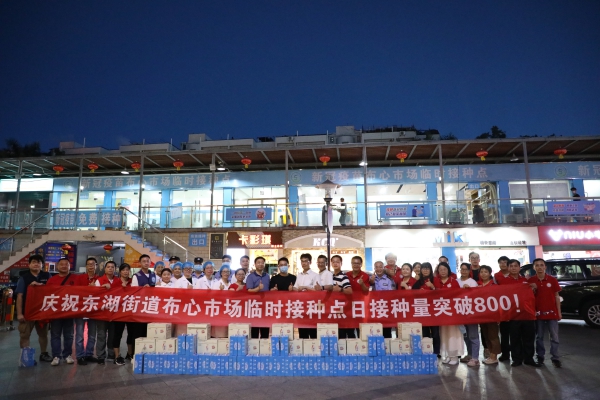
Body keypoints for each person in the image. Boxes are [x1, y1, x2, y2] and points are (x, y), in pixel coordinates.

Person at [500, 259, 541, 367]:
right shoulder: (504, 282)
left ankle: (529, 358)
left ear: (519, 267)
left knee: (529, 338)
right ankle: (517, 359)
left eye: (515, 266)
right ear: (508, 268)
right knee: (515, 338)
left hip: (527, 314)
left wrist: (534, 288)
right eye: (511, 266)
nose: (513, 268)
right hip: (513, 315)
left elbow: (532, 295)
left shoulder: (526, 281)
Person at [15, 254, 52, 364]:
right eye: (34, 262)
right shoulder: (24, 278)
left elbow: (53, 291)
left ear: (42, 265)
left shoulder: (47, 276)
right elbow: (20, 296)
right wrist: (19, 314)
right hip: (27, 312)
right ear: (29, 265)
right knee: (25, 335)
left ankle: (44, 354)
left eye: (39, 262)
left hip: (42, 312)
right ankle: (26, 358)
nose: (36, 264)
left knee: (43, 334)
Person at [528, 258, 562, 367]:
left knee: (554, 337)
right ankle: (540, 357)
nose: (539, 267)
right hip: (538, 314)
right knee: (539, 337)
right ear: (534, 267)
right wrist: (533, 289)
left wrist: (559, 312)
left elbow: (557, 296)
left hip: (552, 313)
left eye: (541, 265)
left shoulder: (552, 280)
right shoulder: (531, 281)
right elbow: (528, 298)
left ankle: (555, 358)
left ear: (545, 267)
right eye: (537, 265)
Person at [46, 258, 77, 366]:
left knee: (69, 335)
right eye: (61, 264)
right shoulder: (52, 280)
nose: (64, 266)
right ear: (57, 266)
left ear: (69, 266)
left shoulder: (75, 278)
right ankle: (56, 356)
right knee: (55, 335)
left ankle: (67, 355)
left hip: (69, 312)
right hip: (56, 312)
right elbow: (46, 294)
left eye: (66, 264)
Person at [434, 262, 463, 365]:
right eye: (440, 269)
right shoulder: (435, 281)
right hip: (441, 313)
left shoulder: (454, 282)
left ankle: (454, 356)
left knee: (453, 334)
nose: (443, 271)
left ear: (448, 270)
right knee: (444, 334)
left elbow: (459, 296)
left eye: (444, 269)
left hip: (452, 313)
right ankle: (448, 355)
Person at [74, 257, 100, 365]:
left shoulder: (99, 279)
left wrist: (95, 288)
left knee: (92, 334)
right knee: (79, 334)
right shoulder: (79, 278)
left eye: (93, 264)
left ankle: (89, 354)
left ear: (96, 266)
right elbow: (75, 291)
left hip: (93, 310)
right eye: (89, 264)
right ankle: (80, 356)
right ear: (86, 266)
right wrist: (88, 288)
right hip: (81, 310)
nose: (91, 266)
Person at [95, 260, 119, 364]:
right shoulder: (99, 281)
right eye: (108, 267)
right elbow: (95, 295)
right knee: (101, 335)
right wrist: (102, 288)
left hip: (114, 314)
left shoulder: (118, 281)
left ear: (115, 269)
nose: (110, 269)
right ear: (105, 269)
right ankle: (100, 356)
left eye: (112, 267)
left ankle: (111, 354)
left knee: (112, 335)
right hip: (102, 313)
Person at [130, 254, 156, 354]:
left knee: (149, 332)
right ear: (140, 263)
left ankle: (148, 353)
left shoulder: (153, 275)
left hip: (152, 308)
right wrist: (143, 289)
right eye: (144, 261)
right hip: (140, 308)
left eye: (147, 261)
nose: (146, 263)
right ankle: (135, 354)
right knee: (138, 332)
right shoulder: (136, 276)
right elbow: (133, 292)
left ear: (150, 262)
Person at [412, 263, 440, 356]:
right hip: (422, 310)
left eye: (427, 269)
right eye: (424, 268)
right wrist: (418, 293)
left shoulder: (435, 280)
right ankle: (426, 351)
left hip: (434, 310)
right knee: (425, 332)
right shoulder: (418, 281)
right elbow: (412, 294)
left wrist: (432, 287)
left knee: (435, 333)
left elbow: (441, 293)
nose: (425, 270)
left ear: (431, 270)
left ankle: (436, 352)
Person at [457, 262, 481, 367]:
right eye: (462, 269)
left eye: (466, 269)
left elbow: (476, 296)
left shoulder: (472, 282)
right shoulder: (456, 282)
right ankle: (470, 354)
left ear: (469, 270)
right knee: (465, 336)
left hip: (471, 313)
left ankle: (475, 358)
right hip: (460, 313)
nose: (464, 271)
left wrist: (469, 290)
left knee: (473, 335)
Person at [478, 265, 501, 365]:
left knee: (493, 336)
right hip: (482, 316)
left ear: (490, 273)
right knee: (486, 336)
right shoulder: (478, 286)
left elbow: (499, 301)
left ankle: (494, 356)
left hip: (492, 316)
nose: (483, 274)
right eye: (481, 272)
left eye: (485, 272)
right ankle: (491, 355)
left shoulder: (494, 286)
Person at [112, 263, 133, 365]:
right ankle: (117, 356)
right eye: (123, 270)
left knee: (131, 333)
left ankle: (129, 354)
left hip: (130, 312)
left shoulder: (132, 282)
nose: (126, 272)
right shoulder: (115, 282)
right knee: (118, 334)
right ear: (120, 272)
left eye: (127, 270)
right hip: (119, 313)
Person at [246, 257, 270, 338]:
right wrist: (258, 289)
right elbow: (249, 290)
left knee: (265, 329)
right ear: (255, 264)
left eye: (262, 262)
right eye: (258, 262)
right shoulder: (250, 276)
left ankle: (264, 344)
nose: (260, 264)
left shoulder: (267, 276)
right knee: (254, 330)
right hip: (255, 306)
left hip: (265, 306)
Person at [370, 261, 395, 338]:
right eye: (376, 267)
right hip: (374, 308)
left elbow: (392, 294)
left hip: (385, 307)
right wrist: (371, 283)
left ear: (384, 268)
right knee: (375, 329)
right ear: (374, 268)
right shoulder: (371, 279)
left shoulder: (389, 280)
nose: (378, 269)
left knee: (386, 330)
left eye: (380, 267)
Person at [331, 255, 353, 338]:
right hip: (334, 308)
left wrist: (340, 289)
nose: (335, 264)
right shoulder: (331, 276)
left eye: (337, 262)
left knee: (346, 332)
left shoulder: (343, 276)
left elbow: (350, 291)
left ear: (341, 263)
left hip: (343, 308)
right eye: (333, 262)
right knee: (337, 333)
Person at [494, 256, 511, 361]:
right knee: (504, 334)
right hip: (503, 309)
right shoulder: (496, 276)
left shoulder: (515, 275)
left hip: (514, 308)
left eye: (505, 262)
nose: (503, 264)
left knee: (515, 333)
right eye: (501, 262)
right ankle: (505, 354)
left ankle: (517, 354)